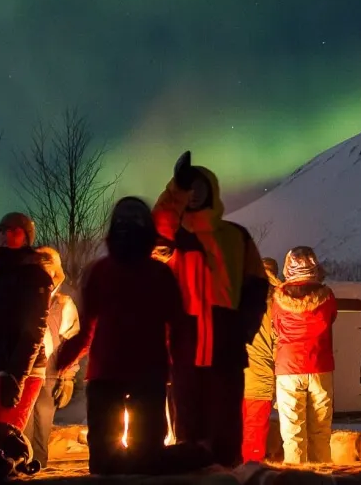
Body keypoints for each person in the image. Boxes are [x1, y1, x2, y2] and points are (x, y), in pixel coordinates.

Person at [152, 150, 270, 467]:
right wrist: (175, 187)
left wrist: (243, 328)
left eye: (198, 189)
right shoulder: (170, 239)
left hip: (225, 344)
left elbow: (257, 285)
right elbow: (159, 224)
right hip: (185, 343)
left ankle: (228, 473)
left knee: (227, 427)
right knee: (188, 428)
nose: (192, 195)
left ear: (211, 192)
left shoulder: (236, 237)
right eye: (186, 190)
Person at [53, 197, 185, 475]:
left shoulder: (103, 271)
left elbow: (88, 326)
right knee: (143, 452)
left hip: (113, 373)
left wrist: (64, 358)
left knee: (108, 453)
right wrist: (181, 367)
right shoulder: (158, 273)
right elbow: (178, 327)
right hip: (143, 372)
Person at [0, 212, 66, 431]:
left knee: (3, 441)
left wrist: (15, 377)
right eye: (2, 231)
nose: (5, 236)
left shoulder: (35, 277)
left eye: (14, 231)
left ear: (26, 237)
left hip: (19, 370)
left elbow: (34, 330)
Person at [271, 246, 337, 465]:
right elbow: (331, 319)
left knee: (293, 433)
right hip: (319, 366)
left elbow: (277, 327)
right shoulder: (327, 297)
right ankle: (324, 477)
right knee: (320, 432)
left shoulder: (279, 298)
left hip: (288, 368)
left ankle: (296, 478)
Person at [24, 290, 81, 469]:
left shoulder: (62, 303)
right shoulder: (24, 297)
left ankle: (39, 467)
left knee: (42, 429)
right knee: (23, 427)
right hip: (26, 374)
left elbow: (71, 342)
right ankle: (23, 465)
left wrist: (68, 376)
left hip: (50, 374)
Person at [242, 258, 281, 464]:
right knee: (254, 434)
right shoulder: (279, 306)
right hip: (259, 379)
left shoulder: (238, 300)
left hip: (236, 376)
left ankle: (235, 471)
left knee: (235, 430)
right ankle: (250, 472)